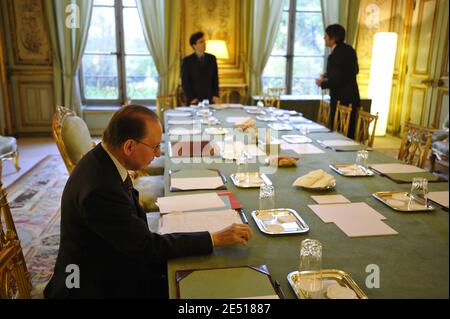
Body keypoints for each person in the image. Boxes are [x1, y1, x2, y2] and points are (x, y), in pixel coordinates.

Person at [44, 105, 252, 299]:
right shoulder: (100, 189)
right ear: (129, 146)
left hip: (113, 258)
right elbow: (147, 248)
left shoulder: (103, 159)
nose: (158, 153)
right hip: (95, 286)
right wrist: (214, 238)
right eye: (154, 147)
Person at [316, 24, 360, 139]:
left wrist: (322, 83)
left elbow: (335, 81)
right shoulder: (350, 50)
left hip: (340, 100)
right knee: (349, 135)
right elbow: (353, 71)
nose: (324, 38)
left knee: (337, 135)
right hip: (353, 97)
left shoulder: (334, 56)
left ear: (333, 38)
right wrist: (328, 75)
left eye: (326, 35)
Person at [181, 31, 220, 105]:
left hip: (210, 98)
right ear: (194, 45)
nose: (204, 44)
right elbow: (185, 82)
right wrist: (191, 98)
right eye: (201, 42)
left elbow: (215, 78)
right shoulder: (187, 61)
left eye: (204, 41)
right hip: (194, 99)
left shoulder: (212, 58)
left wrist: (216, 94)